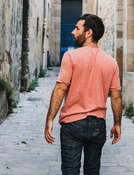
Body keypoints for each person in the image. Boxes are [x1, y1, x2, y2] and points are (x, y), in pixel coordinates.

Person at [44, 14, 122, 175]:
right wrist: (117, 124)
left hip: (72, 124)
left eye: (77, 28)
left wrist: (50, 119)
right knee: (92, 172)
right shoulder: (111, 62)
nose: (73, 32)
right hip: (98, 125)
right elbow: (116, 97)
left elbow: (60, 89)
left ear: (88, 33)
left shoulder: (71, 56)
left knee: (70, 171)